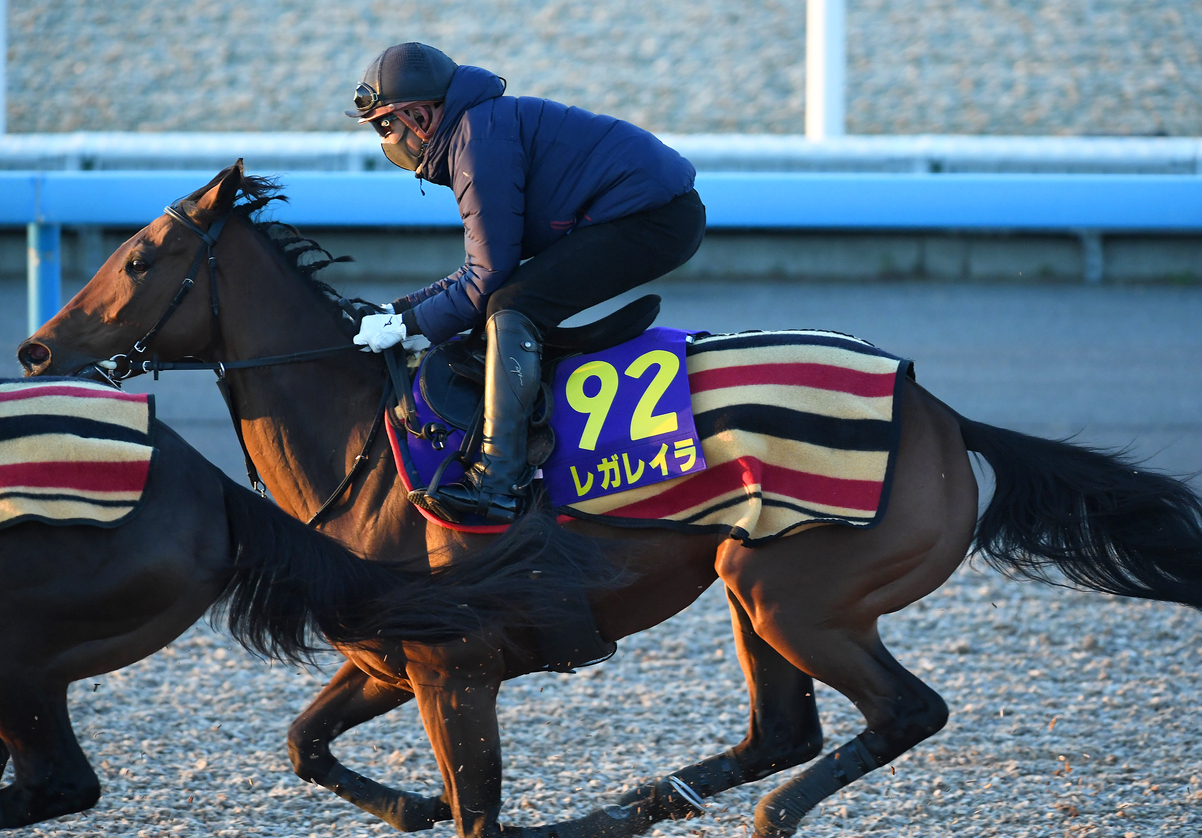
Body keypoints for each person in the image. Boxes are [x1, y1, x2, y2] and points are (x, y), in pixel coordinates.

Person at [349, 43, 705, 523]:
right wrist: (399, 312)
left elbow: (486, 280)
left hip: (656, 220)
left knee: (512, 305)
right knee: (508, 297)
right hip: (648, 211)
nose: (385, 138)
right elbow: (481, 270)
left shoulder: (477, 141)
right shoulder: (474, 130)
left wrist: (412, 323)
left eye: (385, 124)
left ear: (419, 116)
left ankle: (497, 482)